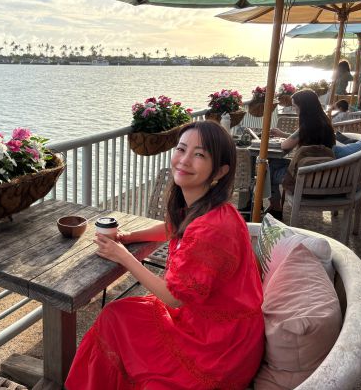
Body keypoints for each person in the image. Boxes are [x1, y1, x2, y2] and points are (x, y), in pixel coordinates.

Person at [65, 121, 265, 390]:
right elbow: (174, 227)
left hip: (219, 347)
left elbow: (174, 297)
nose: (184, 160)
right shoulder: (209, 207)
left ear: (220, 171)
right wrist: (129, 237)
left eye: (199, 154)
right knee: (115, 316)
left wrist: (123, 256)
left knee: (120, 326)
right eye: (181, 149)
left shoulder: (211, 228)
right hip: (216, 326)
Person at [267, 89, 336, 219]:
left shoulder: (307, 126)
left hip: (305, 179)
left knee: (267, 169)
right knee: (275, 163)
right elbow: (301, 137)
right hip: (324, 176)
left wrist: (281, 138)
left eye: (295, 107)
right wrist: (283, 134)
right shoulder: (325, 122)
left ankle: (275, 208)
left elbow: (284, 146)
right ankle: (273, 206)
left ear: (304, 107)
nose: (294, 110)